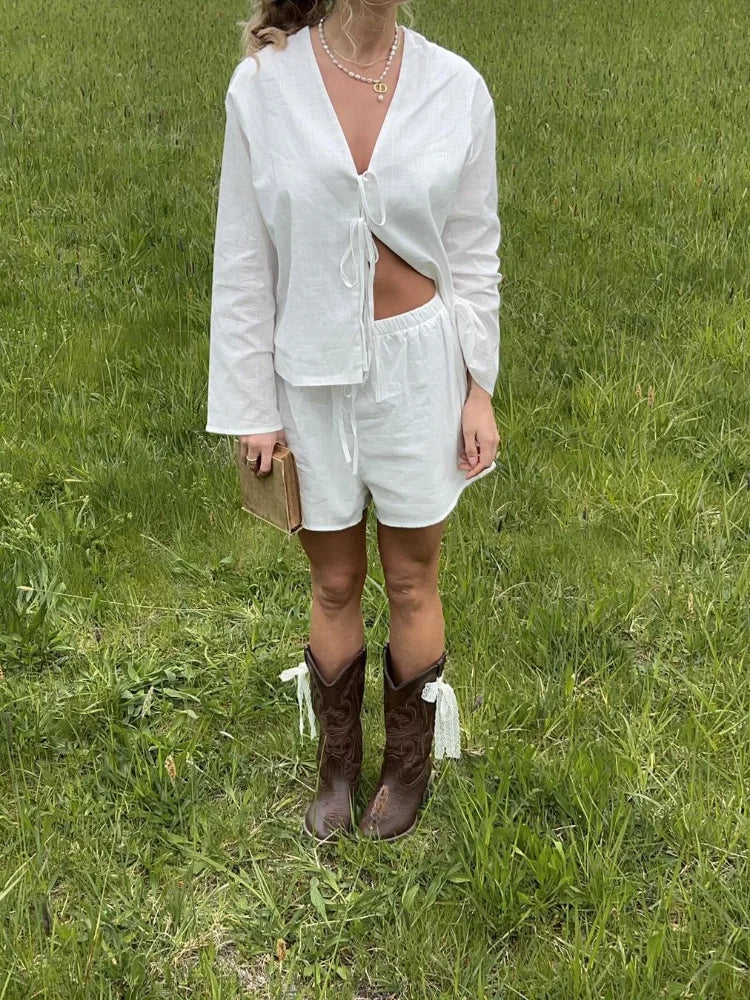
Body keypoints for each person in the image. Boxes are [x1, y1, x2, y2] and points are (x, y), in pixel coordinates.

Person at [205, 0, 503, 842]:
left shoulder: (456, 88)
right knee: (334, 583)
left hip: (422, 374)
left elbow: (474, 247)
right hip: (309, 376)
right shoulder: (264, 88)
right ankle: (337, 768)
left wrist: (478, 386)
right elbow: (243, 257)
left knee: (411, 579)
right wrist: (253, 405)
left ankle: (406, 771)